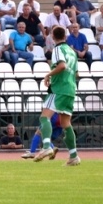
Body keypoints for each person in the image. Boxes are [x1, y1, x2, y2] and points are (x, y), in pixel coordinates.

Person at [32, 26, 81, 166]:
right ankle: (73, 156)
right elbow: (76, 73)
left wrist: (48, 74)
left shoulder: (58, 49)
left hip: (59, 89)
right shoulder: (72, 51)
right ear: (65, 36)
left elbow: (62, 66)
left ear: (53, 36)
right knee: (66, 123)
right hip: (71, 89)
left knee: (44, 117)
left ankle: (47, 147)